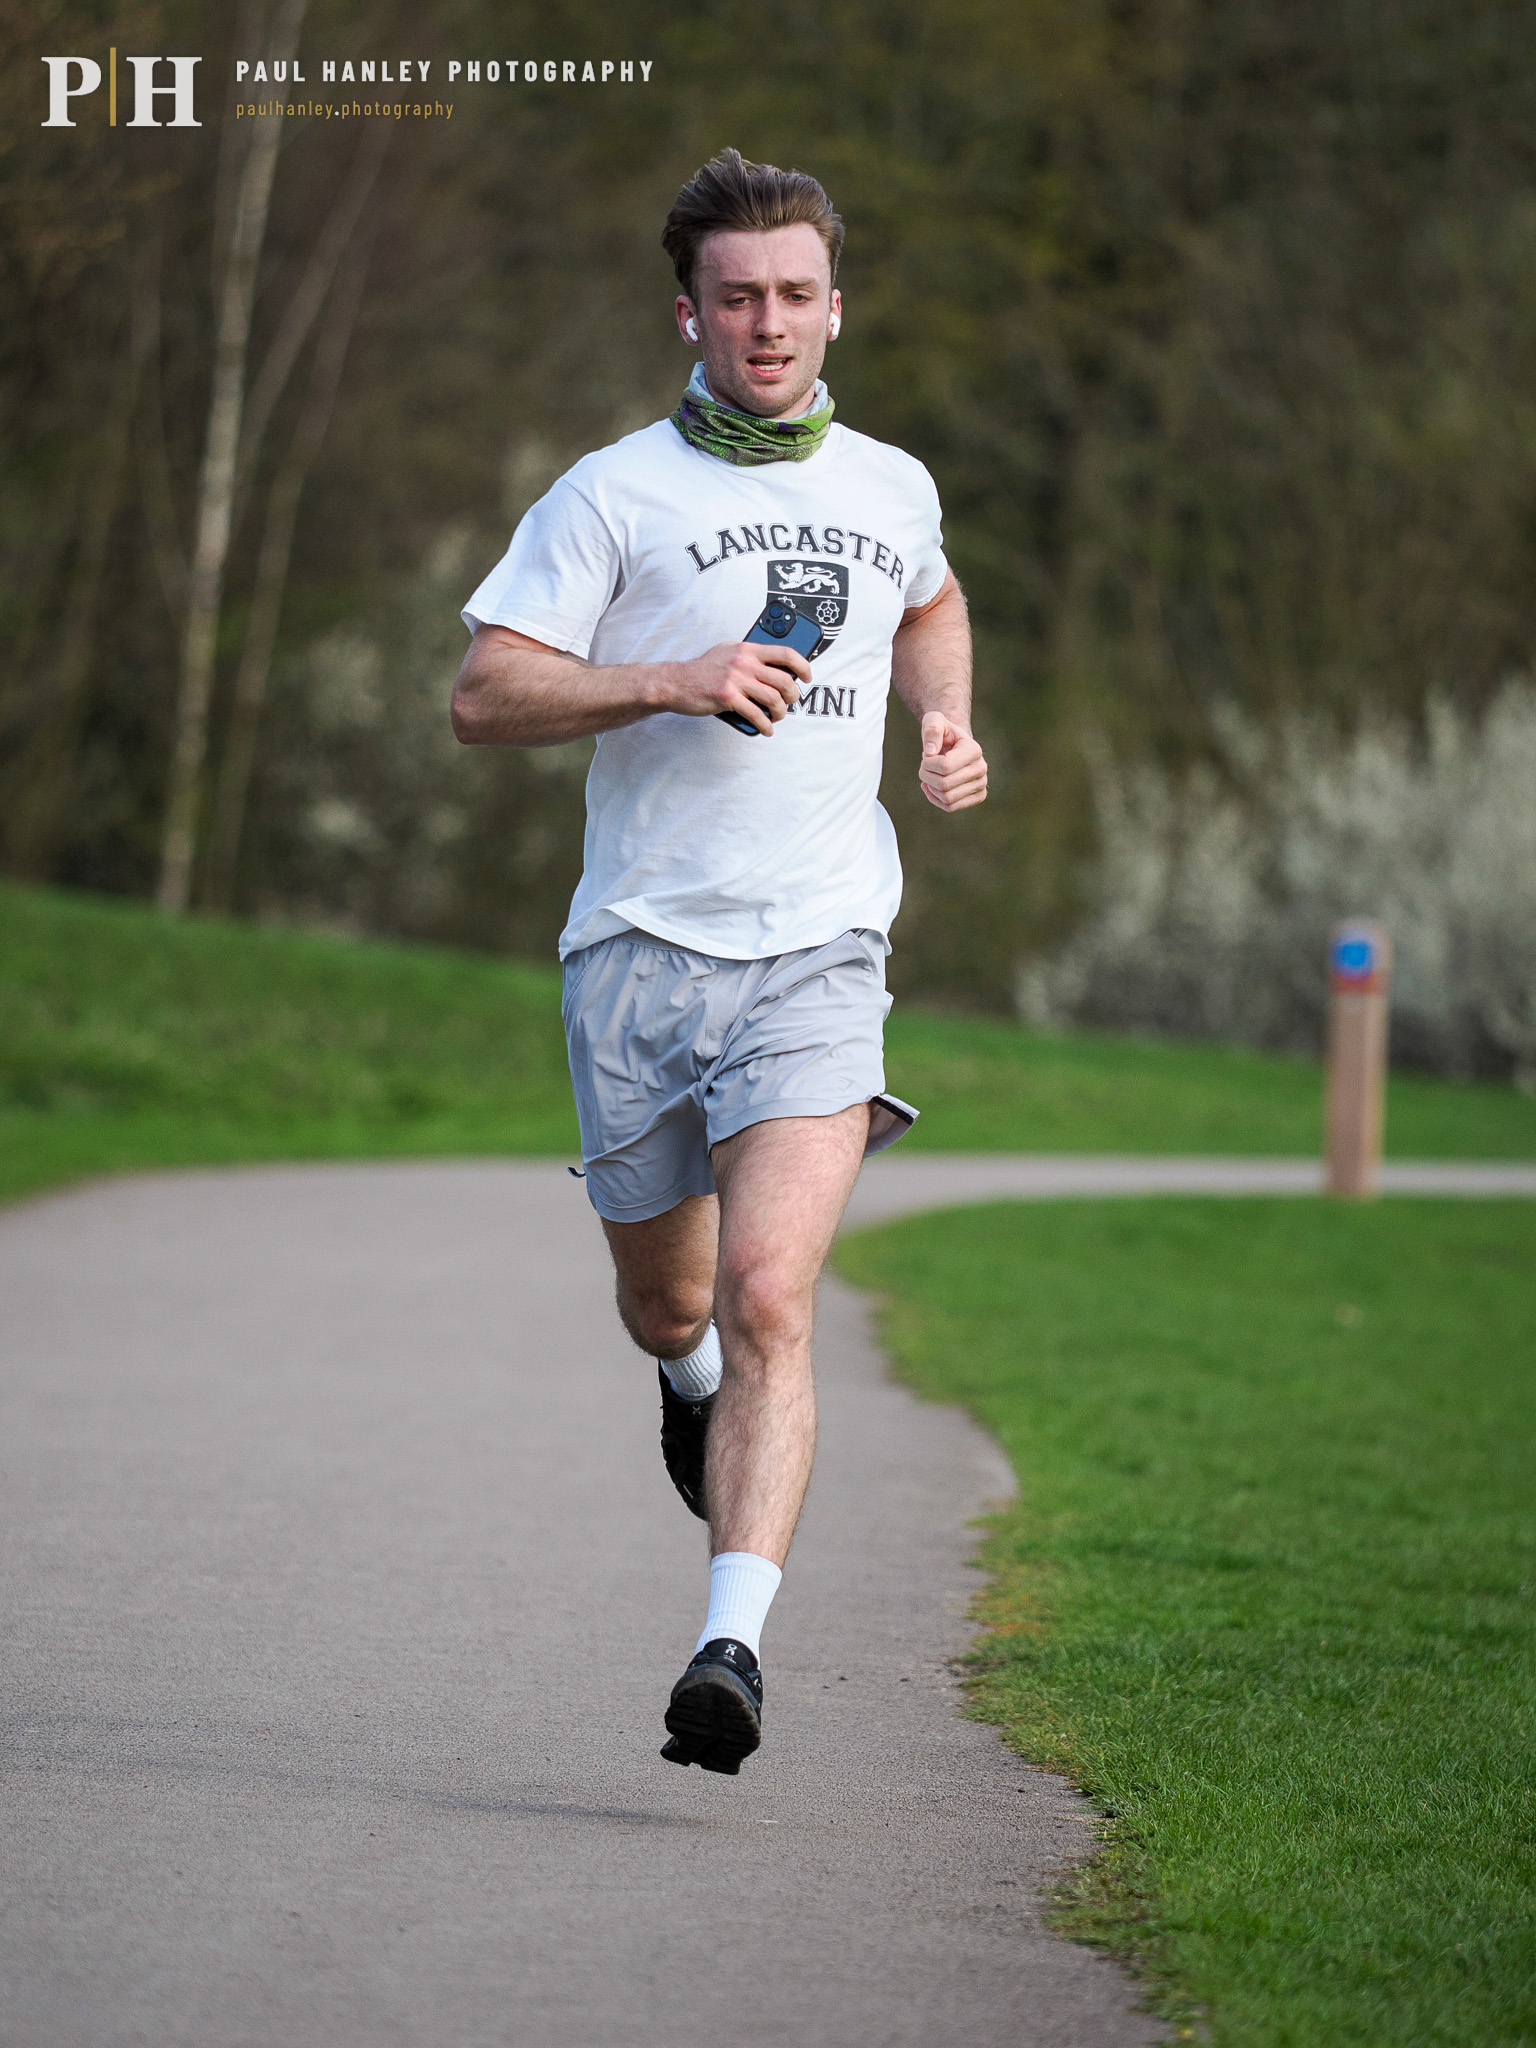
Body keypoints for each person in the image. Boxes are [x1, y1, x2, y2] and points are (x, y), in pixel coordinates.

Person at [452, 148, 987, 1776]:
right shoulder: (614, 493)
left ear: (839, 307)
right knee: (672, 1300)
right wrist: (671, 680)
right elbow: (485, 695)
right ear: (689, 311)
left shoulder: (892, 483)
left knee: (774, 1293)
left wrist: (948, 717)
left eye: (797, 295)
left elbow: (932, 602)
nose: (770, 324)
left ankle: (730, 1647)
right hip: (639, 948)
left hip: (822, 944)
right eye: (739, 296)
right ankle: (682, 1378)